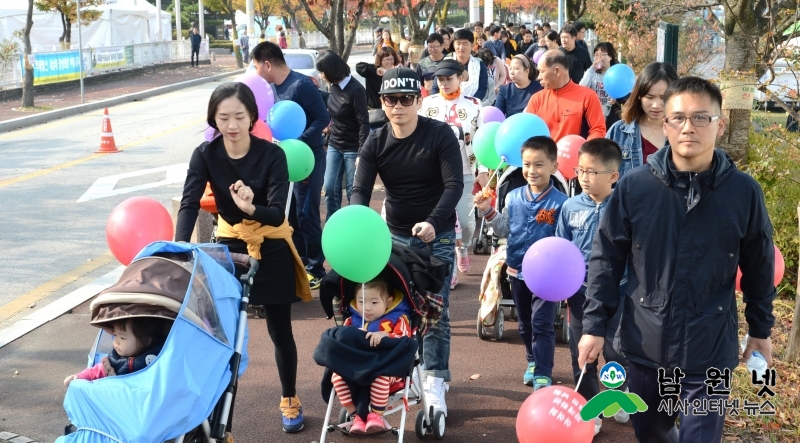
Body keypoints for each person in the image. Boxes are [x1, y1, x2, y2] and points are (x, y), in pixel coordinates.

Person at [578, 76, 777, 443]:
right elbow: (606, 260)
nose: (689, 127)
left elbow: (759, 264)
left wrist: (760, 329)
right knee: (653, 434)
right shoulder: (635, 188)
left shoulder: (743, 192)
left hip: (710, 348)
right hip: (644, 346)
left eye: (701, 117)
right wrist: (594, 326)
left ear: (720, 123)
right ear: (664, 124)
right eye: (679, 118)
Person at [176, 82, 313, 433]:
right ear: (214, 119)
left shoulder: (273, 155)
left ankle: (290, 398)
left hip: (270, 241)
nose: (232, 124)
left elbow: (276, 216)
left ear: (252, 116)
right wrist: (180, 249)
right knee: (217, 330)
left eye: (239, 116)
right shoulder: (205, 154)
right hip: (229, 243)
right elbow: (189, 203)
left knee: (280, 330)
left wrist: (251, 206)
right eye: (224, 117)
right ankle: (212, 408)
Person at [351, 67, 463, 419]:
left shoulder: (440, 134)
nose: (397, 106)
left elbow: (454, 185)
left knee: (435, 308)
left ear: (418, 99)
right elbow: (359, 191)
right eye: (389, 99)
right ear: (381, 101)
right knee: (396, 306)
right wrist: (358, 225)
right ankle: (395, 374)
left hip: (438, 232)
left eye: (405, 99)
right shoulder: (375, 141)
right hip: (395, 234)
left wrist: (432, 222)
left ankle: (435, 376)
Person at [474, 136, 568, 390]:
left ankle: (544, 373)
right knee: (525, 325)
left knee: (542, 324)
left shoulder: (561, 203)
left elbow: (563, 240)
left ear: (554, 167)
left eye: (539, 165)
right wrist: (487, 210)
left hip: (546, 277)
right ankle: (532, 360)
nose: (532, 171)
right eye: (527, 164)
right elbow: (505, 229)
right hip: (517, 271)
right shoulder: (514, 197)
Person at [554, 138, 629, 436]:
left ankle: (618, 393)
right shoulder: (569, 206)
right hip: (580, 291)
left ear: (613, 176)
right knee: (581, 350)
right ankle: (588, 405)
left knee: (617, 349)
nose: (584, 178)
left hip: (620, 290)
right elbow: (560, 248)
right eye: (580, 171)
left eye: (592, 172)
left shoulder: (624, 208)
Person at [251, 41, 331, 290]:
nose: (256, 73)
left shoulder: (301, 85)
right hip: (284, 159)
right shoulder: (270, 89)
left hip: (307, 158)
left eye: (256, 67)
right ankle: (299, 262)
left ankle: (316, 268)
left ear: (267, 64)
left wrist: (300, 141)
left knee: (307, 213)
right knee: (291, 213)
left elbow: (323, 118)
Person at [419, 59, 481, 280]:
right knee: (441, 220)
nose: (444, 83)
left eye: (449, 79)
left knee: (466, 222)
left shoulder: (474, 104)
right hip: (434, 173)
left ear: (460, 78)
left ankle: (462, 248)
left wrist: (482, 168)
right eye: (440, 80)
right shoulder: (428, 104)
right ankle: (450, 266)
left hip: (464, 170)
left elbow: (481, 138)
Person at [331, 277, 412, 434]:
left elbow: (405, 340)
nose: (367, 308)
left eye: (374, 303)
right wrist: (353, 335)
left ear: (388, 302)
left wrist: (386, 335)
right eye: (361, 302)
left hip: (388, 367)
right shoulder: (351, 321)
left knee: (379, 377)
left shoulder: (398, 319)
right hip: (357, 367)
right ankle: (355, 415)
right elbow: (341, 340)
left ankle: (376, 416)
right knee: (336, 377)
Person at [316, 51, 369, 220]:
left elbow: (363, 123)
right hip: (334, 145)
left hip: (353, 148)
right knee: (330, 187)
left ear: (331, 70)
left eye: (322, 71)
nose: (320, 75)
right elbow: (335, 114)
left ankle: (355, 225)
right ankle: (334, 223)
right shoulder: (333, 86)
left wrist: (361, 152)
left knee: (353, 191)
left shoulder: (356, 90)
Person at [606, 62, 679, 177]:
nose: (656, 105)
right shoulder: (619, 132)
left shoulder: (682, 132)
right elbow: (603, 178)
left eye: (663, 98)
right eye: (650, 97)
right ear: (639, 95)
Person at [525, 49, 606, 141]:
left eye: (542, 71)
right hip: (544, 154)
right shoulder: (536, 99)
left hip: (578, 154)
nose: (538, 77)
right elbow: (528, 132)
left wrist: (583, 151)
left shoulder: (588, 96)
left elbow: (598, 130)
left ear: (557, 71)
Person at [63, 317, 170, 386]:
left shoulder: (159, 359)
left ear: (145, 341)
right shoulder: (113, 361)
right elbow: (95, 371)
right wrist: (78, 378)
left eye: (122, 338)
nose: (116, 342)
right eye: (115, 335)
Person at [432, 29, 488, 101]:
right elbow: (435, 87)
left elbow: (482, 89)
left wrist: (468, 103)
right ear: (454, 45)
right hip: (446, 103)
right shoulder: (445, 62)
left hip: (471, 105)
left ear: (472, 45)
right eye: (458, 44)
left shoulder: (479, 64)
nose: (461, 47)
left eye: (465, 43)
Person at [580, 42, 620, 129]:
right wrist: (591, 69)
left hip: (611, 117)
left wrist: (616, 100)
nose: (599, 58)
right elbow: (582, 88)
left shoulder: (616, 74)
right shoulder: (592, 73)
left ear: (610, 56)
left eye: (602, 54)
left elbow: (625, 95)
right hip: (594, 117)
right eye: (596, 55)